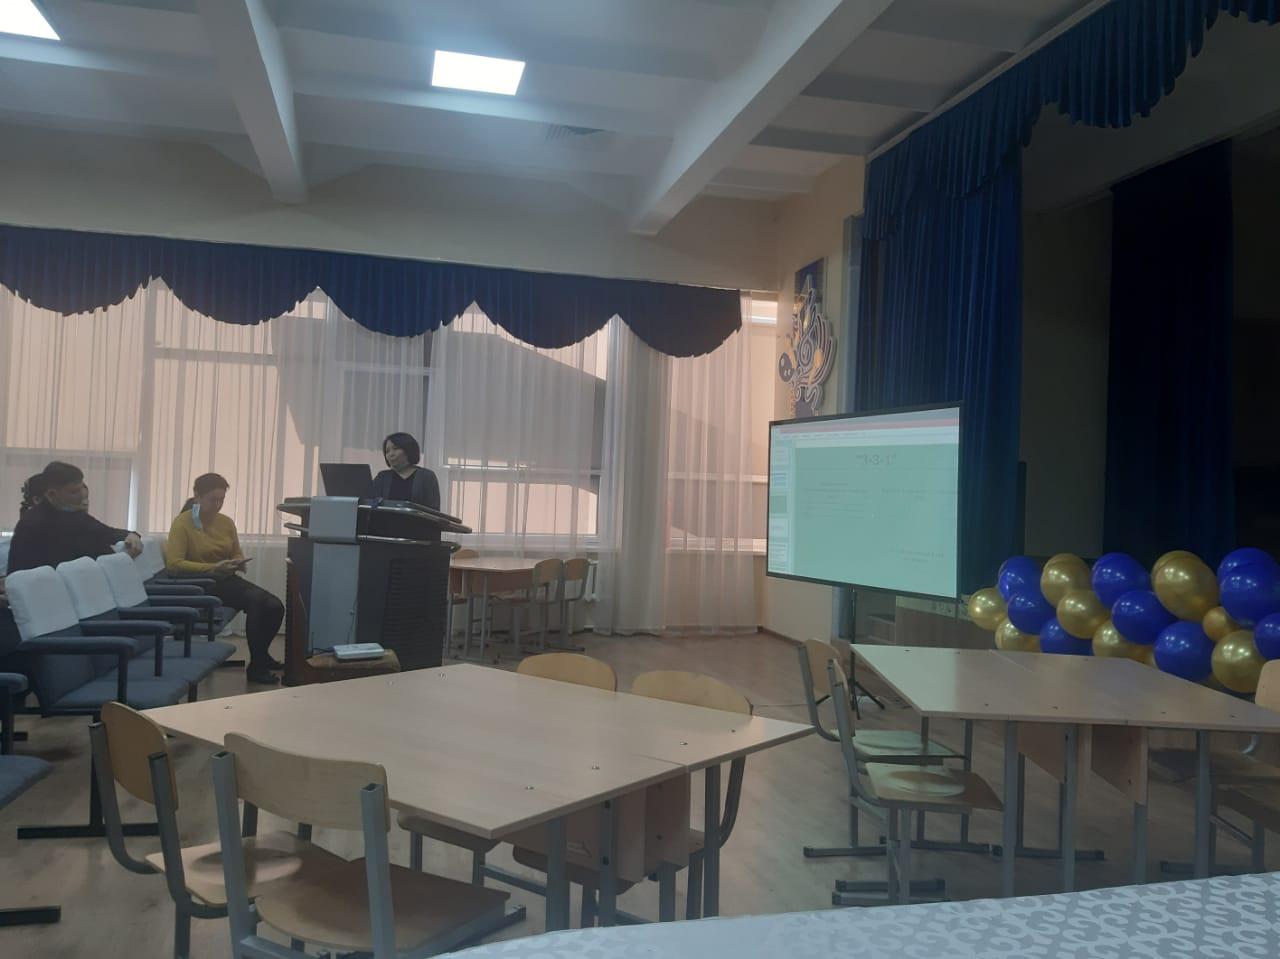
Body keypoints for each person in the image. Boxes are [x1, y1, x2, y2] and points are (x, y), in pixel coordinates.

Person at [165, 473, 284, 685]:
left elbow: (235, 550)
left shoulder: (225, 522)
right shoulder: (182, 523)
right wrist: (213, 567)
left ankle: (262, 655)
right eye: (213, 499)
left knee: (276, 606)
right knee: (257, 602)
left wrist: (238, 561)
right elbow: (174, 564)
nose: (218, 505)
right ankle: (257, 667)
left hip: (225, 579)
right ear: (197, 496)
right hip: (200, 584)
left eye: (221, 500)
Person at [6, 462, 143, 573]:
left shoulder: (73, 514)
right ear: (52, 494)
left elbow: (106, 532)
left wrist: (131, 535)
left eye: (81, 489)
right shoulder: (32, 523)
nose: (82, 496)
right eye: (74, 492)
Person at [368, 431, 441, 510]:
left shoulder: (427, 476)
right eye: (387, 451)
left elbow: (434, 511)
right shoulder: (382, 477)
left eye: (395, 448)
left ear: (408, 450)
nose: (391, 454)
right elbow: (368, 503)